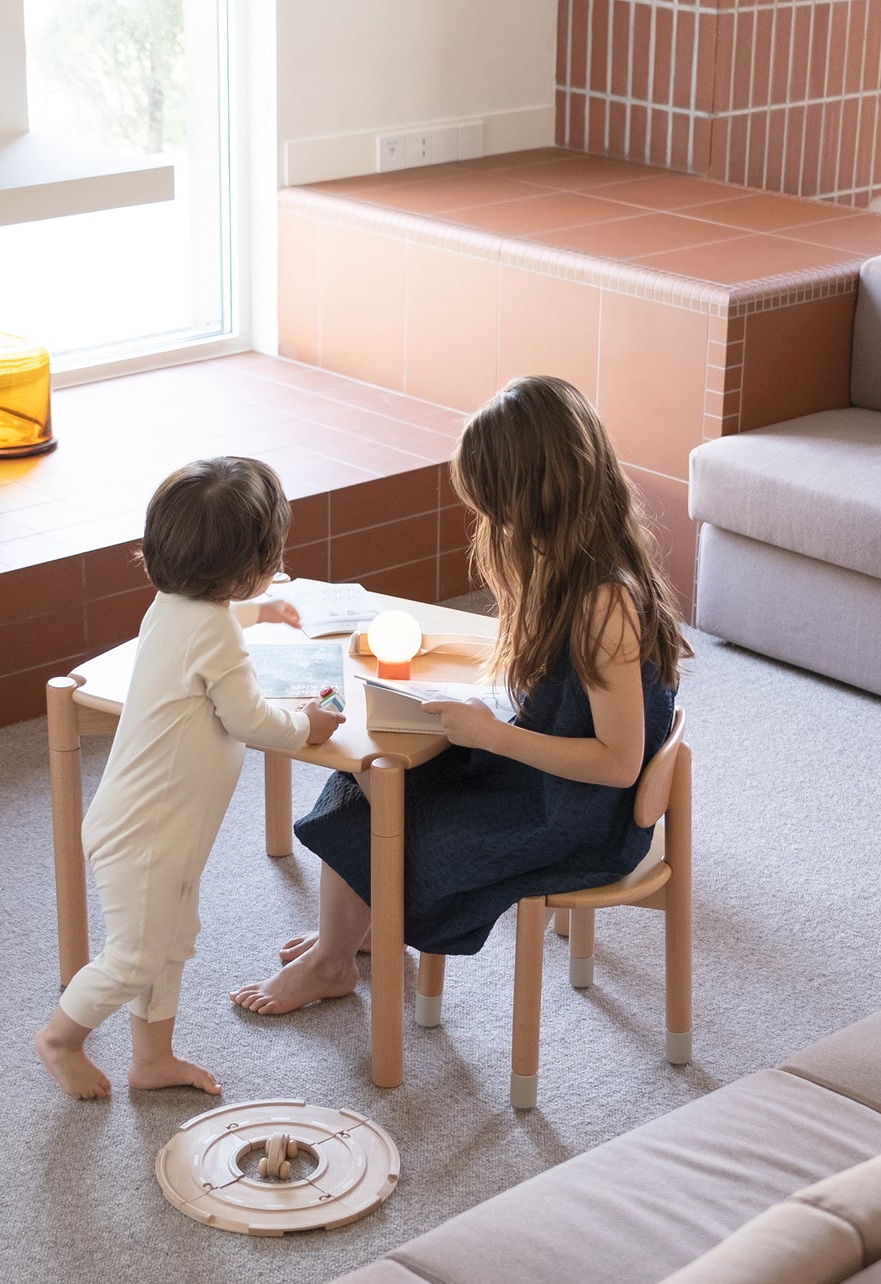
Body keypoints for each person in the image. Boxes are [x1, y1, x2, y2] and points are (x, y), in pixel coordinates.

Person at [230, 376, 687, 1015]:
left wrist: (495, 735)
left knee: (400, 821)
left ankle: (336, 957)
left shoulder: (604, 602)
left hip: (575, 815)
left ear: (537, 495)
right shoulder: (568, 561)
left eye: (496, 506)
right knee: (371, 775)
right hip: (542, 769)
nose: (491, 522)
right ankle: (349, 933)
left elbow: (616, 763)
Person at [35, 456, 344, 1098]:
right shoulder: (216, 635)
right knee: (137, 956)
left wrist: (257, 615)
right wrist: (308, 727)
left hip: (162, 833)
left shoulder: (175, 607)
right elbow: (252, 720)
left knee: (169, 948)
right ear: (253, 567)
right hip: (146, 836)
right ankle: (60, 1039)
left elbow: (211, 634)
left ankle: (151, 1060)